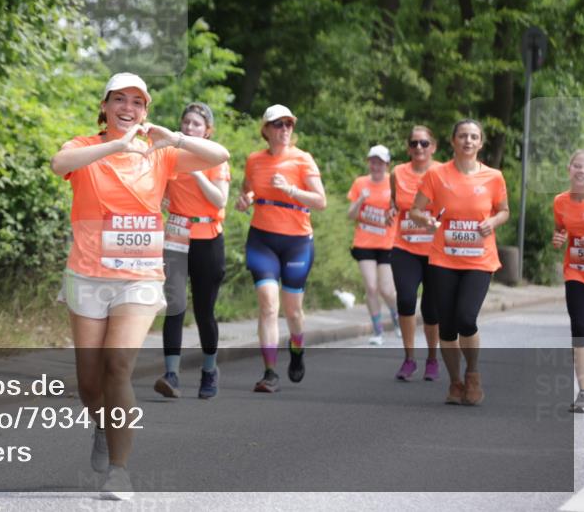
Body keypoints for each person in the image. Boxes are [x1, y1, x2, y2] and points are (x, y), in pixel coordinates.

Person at [50, 73, 229, 499]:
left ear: (146, 111)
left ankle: (119, 470)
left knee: (118, 367)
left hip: (140, 278)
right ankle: (102, 424)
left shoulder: (160, 154)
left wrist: (176, 140)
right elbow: (60, 164)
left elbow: (219, 153)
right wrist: (116, 145)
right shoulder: (83, 147)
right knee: (90, 384)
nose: (128, 108)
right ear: (106, 105)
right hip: (89, 276)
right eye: (120, 100)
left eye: (137, 102)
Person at [410, 119, 509, 406]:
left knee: (467, 318)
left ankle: (473, 374)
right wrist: (425, 219)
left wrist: (493, 221)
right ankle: (455, 382)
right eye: (463, 136)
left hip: (480, 259)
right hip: (444, 258)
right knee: (447, 327)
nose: (468, 141)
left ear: (480, 143)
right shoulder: (436, 175)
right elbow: (416, 210)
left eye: (474, 136)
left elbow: (504, 211)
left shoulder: (493, 177)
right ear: (453, 141)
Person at [235, 104, 327, 393]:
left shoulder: (302, 160)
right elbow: (247, 188)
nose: (284, 129)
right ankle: (270, 372)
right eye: (278, 124)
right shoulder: (254, 160)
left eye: (289, 124)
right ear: (266, 130)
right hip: (262, 238)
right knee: (268, 304)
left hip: (297, 242)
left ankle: (297, 348)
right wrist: (245, 199)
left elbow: (320, 201)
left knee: (293, 312)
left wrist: (290, 190)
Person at [154, 103, 230, 400]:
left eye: (196, 124)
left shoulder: (216, 159)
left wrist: (198, 173)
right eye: (185, 122)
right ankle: (171, 374)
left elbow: (220, 200)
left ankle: (209, 370)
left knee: (203, 310)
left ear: (207, 131)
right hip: (176, 234)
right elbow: (158, 192)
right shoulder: (171, 157)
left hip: (207, 235)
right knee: (174, 305)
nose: (189, 128)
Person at [389, 126, 442, 380]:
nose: (418, 148)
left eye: (423, 143)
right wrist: (391, 211)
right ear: (408, 147)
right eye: (413, 144)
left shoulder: (444, 173)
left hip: (435, 250)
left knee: (431, 308)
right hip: (405, 247)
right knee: (407, 299)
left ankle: (432, 358)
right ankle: (409, 359)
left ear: (433, 146)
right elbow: (394, 202)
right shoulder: (397, 173)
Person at [552, 149, 584, 413]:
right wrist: (558, 240)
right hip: (576, 272)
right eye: (577, 166)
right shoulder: (560, 202)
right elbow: (560, 232)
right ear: (569, 169)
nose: (582, 171)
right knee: (579, 328)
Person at [347, 145, 400, 347]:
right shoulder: (360, 183)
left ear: (387, 164)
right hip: (364, 243)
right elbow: (351, 215)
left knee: (387, 290)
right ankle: (377, 331)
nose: (375, 165)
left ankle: (397, 319)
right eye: (372, 161)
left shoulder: (393, 183)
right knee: (371, 286)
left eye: (380, 162)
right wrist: (361, 200)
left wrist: (393, 211)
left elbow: (403, 208)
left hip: (387, 243)